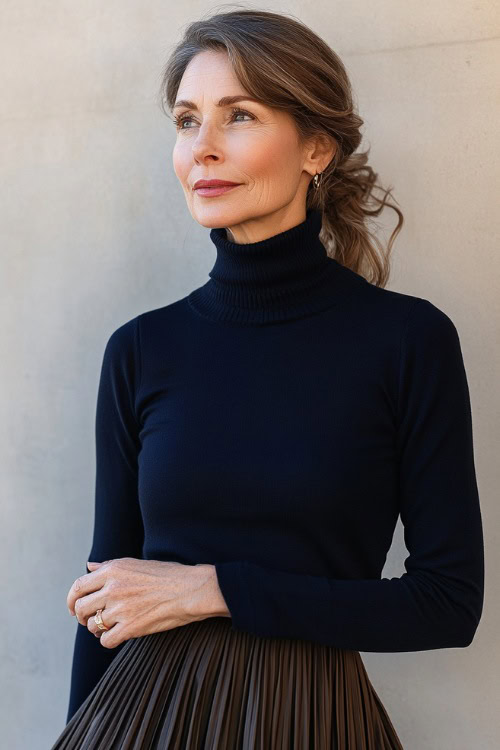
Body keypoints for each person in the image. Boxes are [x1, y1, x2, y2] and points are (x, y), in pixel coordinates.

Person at [51, 8, 484, 749]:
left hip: (311, 720)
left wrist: (219, 589)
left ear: (316, 146)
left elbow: (447, 603)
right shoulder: (141, 349)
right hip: (133, 723)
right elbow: (110, 602)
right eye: (187, 121)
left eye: (239, 115)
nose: (203, 149)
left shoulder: (408, 341)